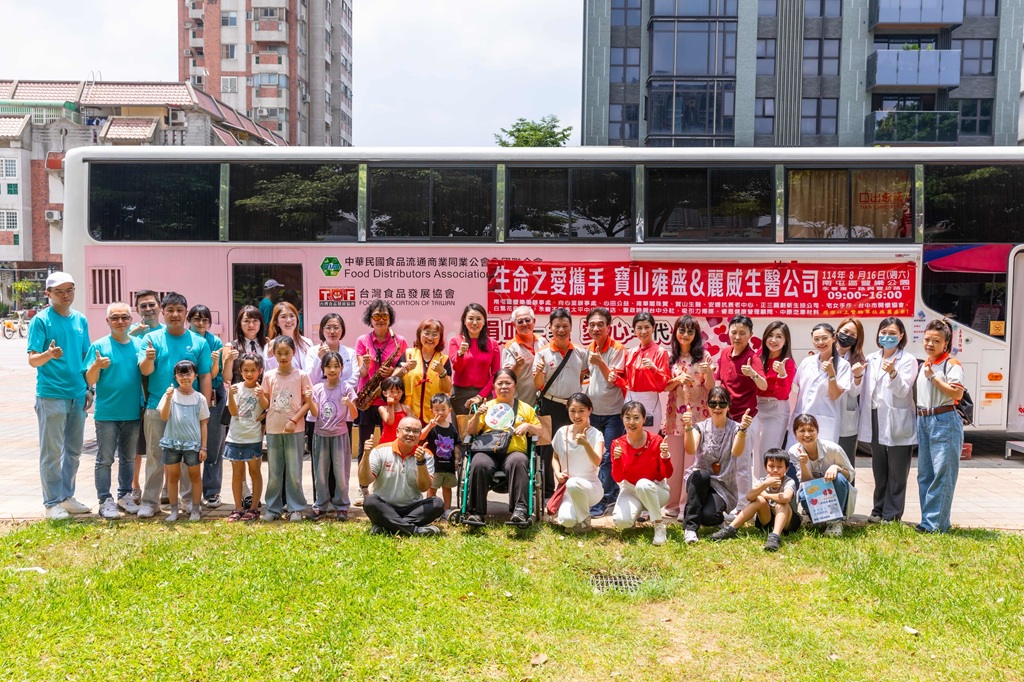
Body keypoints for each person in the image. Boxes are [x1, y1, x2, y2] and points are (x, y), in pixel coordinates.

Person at [137, 292, 212, 519]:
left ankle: (189, 500)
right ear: (163, 312)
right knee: (155, 455)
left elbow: (205, 376)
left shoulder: (199, 342)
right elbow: (144, 371)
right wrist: (149, 358)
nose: (175, 314)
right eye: (170, 310)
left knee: (188, 455)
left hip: (190, 408)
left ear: (186, 313)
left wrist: (204, 407)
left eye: (180, 310)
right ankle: (150, 502)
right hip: (157, 406)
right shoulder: (151, 339)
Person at [28, 272, 92, 520]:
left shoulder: (80, 320)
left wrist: (89, 388)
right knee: (52, 452)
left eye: (69, 290)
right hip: (51, 395)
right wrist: (49, 354)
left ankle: (66, 497)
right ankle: (52, 502)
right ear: (48, 294)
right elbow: (33, 359)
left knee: (74, 451)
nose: (65, 295)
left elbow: (86, 357)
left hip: (78, 394)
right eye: (59, 291)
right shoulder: (41, 321)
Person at [84, 302, 144, 519]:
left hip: (133, 412)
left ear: (131, 320)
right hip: (107, 414)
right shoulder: (99, 346)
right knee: (105, 459)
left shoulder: (139, 345)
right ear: (107, 321)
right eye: (115, 318)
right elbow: (90, 379)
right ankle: (104, 500)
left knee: (128, 458)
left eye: (124, 317)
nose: (120, 321)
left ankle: (125, 495)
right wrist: (96, 366)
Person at [465, 369, 544, 525]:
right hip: (488, 451)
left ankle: (520, 510)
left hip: (514, 452)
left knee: (519, 461)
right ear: (494, 386)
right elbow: (471, 432)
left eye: (508, 383)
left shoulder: (525, 408)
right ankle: (475, 512)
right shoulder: (487, 406)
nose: (504, 387)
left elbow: (540, 431)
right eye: (500, 383)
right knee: (478, 462)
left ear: (515, 385)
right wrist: (477, 415)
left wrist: (528, 426)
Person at [859, 317, 917, 523]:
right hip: (875, 416)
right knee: (879, 467)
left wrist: (893, 372)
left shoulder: (908, 360)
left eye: (892, 333)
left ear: (901, 336)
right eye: (884, 333)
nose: (887, 337)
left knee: (897, 470)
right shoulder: (871, 358)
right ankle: (878, 509)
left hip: (897, 418)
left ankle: (892, 514)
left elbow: (903, 391)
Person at [681, 387, 753, 544]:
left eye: (722, 404)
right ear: (707, 406)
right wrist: (688, 427)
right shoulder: (700, 427)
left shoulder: (735, 428)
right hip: (699, 481)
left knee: (709, 517)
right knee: (701, 475)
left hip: (723, 485)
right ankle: (690, 528)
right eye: (713, 403)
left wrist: (743, 430)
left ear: (729, 406)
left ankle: (715, 516)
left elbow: (736, 452)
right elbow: (691, 449)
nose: (717, 408)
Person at [354, 300, 408, 504]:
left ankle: (388, 486)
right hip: (367, 398)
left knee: (390, 443)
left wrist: (392, 371)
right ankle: (363, 487)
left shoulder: (399, 341)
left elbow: (403, 370)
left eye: (385, 316)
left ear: (390, 319)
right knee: (365, 444)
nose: (381, 320)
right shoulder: (362, 340)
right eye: (376, 316)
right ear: (370, 318)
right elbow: (362, 373)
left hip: (389, 399)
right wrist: (367, 365)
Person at [914, 319, 965, 534]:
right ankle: (930, 521)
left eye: (936, 341)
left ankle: (935, 524)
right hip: (924, 419)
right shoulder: (926, 364)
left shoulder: (951, 364)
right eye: (927, 339)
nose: (930, 344)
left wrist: (933, 378)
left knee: (942, 474)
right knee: (925, 474)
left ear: (946, 344)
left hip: (944, 419)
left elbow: (957, 392)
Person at [714, 315, 767, 514]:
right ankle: (729, 501)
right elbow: (720, 381)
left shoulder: (753, 358)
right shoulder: (724, 353)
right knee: (726, 463)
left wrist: (752, 374)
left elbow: (763, 385)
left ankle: (744, 506)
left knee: (742, 464)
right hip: (726, 418)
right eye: (734, 332)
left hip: (746, 419)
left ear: (750, 335)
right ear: (728, 332)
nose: (737, 336)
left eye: (742, 333)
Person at [662, 315, 714, 519]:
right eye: (681, 330)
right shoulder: (669, 357)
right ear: (675, 332)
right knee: (674, 463)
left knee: (692, 464)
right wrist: (678, 379)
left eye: (690, 331)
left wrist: (709, 373)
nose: (685, 334)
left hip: (697, 416)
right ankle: (672, 504)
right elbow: (664, 386)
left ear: (696, 335)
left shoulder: (704, 357)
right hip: (675, 415)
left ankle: (686, 507)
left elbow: (710, 387)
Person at [533, 308, 587, 499]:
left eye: (565, 326)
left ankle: (571, 489)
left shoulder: (580, 352)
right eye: (557, 326)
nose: (561, 330)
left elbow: (583, 376)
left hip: (573, 408)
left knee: (573, 447)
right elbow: (538, 384)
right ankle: (548, 491)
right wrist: (540, 372)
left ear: (571, 327)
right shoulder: (542, 354)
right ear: (550, 327)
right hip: (550, 405)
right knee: (547, 449)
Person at [359, 416, 445, 536]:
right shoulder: (380, 451)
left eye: (416, 431)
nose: (411, 434)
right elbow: (364, 480)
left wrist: (421, 462)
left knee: (437, 503)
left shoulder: (426, 455)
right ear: (397, 432)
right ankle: (414, 530)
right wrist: (366, 454)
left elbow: (424, 487)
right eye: (407, 429)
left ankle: (388, 526)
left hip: (412, 509)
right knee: (370, 501)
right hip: (385, 507)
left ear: (420, 435)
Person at [261, 335, 315, 522]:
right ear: (274, 354)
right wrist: (259, 395)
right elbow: (266, 403)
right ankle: (273, 508)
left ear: (294, 352)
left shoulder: (301, 375)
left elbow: (308, 403)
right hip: (273, 429)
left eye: (287, 353)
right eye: (279, 353)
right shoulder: (268, 376)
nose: (283, 357)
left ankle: (296, 508)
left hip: (295, 430)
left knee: (294, 472)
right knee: (274, 472)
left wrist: (294, 420)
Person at [710, 448, 801, 552]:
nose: (775, 470)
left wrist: (767, 495)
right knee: (759, 500)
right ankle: (731, 528)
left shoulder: (789, 481)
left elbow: (786, 497)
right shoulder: (763, 481)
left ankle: (775, 536)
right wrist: (765, 485)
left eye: (780, 467)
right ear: (765, 467)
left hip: (787, 523)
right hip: (767, 520)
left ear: (787, 469)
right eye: (771, 466)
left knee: (781, 504)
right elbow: (749, 497)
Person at [220, 304, 266, 509]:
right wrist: (228, 362)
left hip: (261, 402)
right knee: (239, 448)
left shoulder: (268, 344)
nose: (251, 325)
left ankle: (255, 497)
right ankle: (244, 493)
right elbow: (226, 378)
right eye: (246, 320)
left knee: (256, 449)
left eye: (255, 320)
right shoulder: (230, 346)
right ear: (239, 323)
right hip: (238, 403)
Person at [583, 307, 626, 518]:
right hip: (594, 413)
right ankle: (611, 492)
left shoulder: (618, 349)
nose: (596, 328)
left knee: (608, 456)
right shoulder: (589, 348)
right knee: (597, 456)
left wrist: (600, 363)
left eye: (600, 324)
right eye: (592, 324)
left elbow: (614, 380)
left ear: (609, 327)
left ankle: (603, 499)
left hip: (614, 413)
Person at [610, 401, 673, 546]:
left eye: (636, 417)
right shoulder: (617, 444)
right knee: (621, 522)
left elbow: (667, 474)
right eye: (627, 417)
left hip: (656, 490)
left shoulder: (656, 440)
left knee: (643, 484)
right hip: (631, 490)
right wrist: (617, 460)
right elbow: (618, 477)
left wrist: (665, 457)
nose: (631, 422)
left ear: (644, 419)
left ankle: (658, 525)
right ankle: (633, 515)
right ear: (622, 418)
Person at [308, 351, 358, 521]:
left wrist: (349, 403)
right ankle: (320, 505)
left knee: (341, 473)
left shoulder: (347, 388)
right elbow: (314, 414)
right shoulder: (317, 389)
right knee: (320, 473)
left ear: (342, 368)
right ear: (323, 368)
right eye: (328, 366)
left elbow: (354, 415)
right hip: (320, 435)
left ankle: (342, 506)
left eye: (336, 366)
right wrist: (309, 401)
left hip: (340, 436)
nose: (332, 370)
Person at [158, 360, 209, 522]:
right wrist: (168, 398)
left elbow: (204, 424)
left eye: (188, 373)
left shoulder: (200, 398)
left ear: (195, 376)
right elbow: (163, 416)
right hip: (172, 442)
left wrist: (204, 447)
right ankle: (174, 510)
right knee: (173, 477)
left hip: (192, 444)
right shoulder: (170, 395)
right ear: (175, 377)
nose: (185, 377)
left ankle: (195, 509)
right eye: (181, 374)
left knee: (195, 476)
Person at [187, 305, 227, 509]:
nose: (200, 323)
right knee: (186, 443)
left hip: (214, 395)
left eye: (205, 320)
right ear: (189, 321)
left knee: (214, 444)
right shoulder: (185, 339)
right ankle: (188, 493)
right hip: (187, 394)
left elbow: (215, 374)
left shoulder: (215, 342)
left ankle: (212, 492)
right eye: (196, 319)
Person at [790, 413, 856, 537]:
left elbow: (850, 475)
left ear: (817, 431)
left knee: (839, 478)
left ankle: (836, 521)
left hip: (837, 493)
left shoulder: (833, 449)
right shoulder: (794, 451)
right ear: (795, 433)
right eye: (802, 431)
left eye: (811, 430)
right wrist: (803, 464)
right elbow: (806, 483)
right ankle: (819, 519)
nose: (807, 435)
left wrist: (836, 468)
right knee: (803, 493)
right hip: (815, 495)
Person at [789, 323, 852, 448]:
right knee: (796, 455)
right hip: (801, 417)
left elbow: (835, 395)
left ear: (834, 338)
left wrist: (831, 374)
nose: (820, 342)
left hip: (824, 422)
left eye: (824, 338)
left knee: (822, 455)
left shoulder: (843, 365)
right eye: (816, 339)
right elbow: (796, 388)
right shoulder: (807, 362)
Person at [128, 289, 163, 504]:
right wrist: (133, 334)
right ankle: (134, 486)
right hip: (133, 397)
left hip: (156, 399)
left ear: (159, 307)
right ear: (137, 309)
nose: (148, 309)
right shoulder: (129, 331)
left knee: (162, 446)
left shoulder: (166, 332)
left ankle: (166, 487)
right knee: (136, 446)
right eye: (143, 306)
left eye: (152, 304)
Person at [550, 393, 605, 532]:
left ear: (590, 410)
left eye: (581, 411)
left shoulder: (596, 434)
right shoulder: (562, 432)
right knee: (566, 521)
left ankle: (585, 521)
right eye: (572, 411)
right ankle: (578, 517)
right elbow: (555, 457)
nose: (577, 415)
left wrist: (586, 445)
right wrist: (557, 473)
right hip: (568, 489)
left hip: (590, 488)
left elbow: (597, 462)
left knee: (573, 483)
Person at [224, 353, 267, 522]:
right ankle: (238, 508)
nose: (249, 374)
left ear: (260, 371)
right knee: (237, 474)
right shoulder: (236, 388)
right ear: (240, 371)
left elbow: (267, 407)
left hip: (253, 438)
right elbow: (233, 412)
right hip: (235, 438)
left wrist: (261, 395)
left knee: (255, 472)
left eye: (253, 370)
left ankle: (254, 508)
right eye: (246, 370)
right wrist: (230, 395)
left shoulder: (261, 389)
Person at [753, 321, 796, 478]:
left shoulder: (787, 362)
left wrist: (782, 374)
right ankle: (758, 485)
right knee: (755, 452)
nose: (773, 340)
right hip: (756, 407)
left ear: (785, 341)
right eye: (770, 335)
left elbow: (782, 394)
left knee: (768, 452)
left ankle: (770, 486)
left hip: (776, 409)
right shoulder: (758, 356)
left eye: (779, 336)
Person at [622, 311, 670, 434]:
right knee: (631, 437)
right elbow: (625, 380)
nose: (643, 331)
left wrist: (654, 369)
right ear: (634, 330)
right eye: (639, 328)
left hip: (650, 400)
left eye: (647, 327)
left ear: (653, 328)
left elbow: (663, 384)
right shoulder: (631, 352)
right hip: (630, 398)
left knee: (650, 438)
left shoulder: (660, 352)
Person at [448, 303, 501, 415]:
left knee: (484, 426)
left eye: (478, 319)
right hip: (460, 395)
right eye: (471, 318)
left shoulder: (493, 344)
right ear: (464, 320)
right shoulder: (455, 341)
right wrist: (460, 354)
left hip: (484, 395)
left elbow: (495, 374)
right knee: (461, 426)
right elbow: (457, 368)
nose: (475, 323)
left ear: (484, 321)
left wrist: (480, 396)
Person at [400, 318, 453, 423]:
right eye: (427, 333)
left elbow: (447, 389)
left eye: (435, 334)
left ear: (440, 338)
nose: (430, 338)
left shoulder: (444, 359)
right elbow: (393, 379)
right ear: (419, 334)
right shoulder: (408, 354)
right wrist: (404, 369)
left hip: (434, 417)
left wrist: (442, 372)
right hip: (409, 414)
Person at [422, 393, 459, 511]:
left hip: (448, 466)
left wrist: (457, 460)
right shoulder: (431, 426)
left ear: (449, 410)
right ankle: (430, 510)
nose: (440, 412)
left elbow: (456, 445)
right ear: (431, 410)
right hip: (434, 466)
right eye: (437, 409)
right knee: (432, 488)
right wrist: (429, 426)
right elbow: (421, 437)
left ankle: (447, 510)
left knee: (447, 489)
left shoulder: (452, 428)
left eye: (443, 409)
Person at [836, 317, 867, 461]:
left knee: (845, 462)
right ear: (837, 332)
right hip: (824, 415)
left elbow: (854, 392)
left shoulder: (859, 361)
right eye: (845, 331)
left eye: (853, 335)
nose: (847, 336)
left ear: (857, 340)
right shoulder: (824, 355)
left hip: (846, 420)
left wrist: (857, 376)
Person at [501, 306, 543, 404]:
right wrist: (517, 366)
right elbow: (506, 378)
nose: (524, 324)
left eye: (527, 320)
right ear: (514, 324)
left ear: (534, 321)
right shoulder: (511, 347)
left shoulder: (542, 341)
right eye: (520, 321)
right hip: (519, 402)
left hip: (541, 401)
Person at [265, 302, 314, 373]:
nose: (289, 320)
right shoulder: (271, 345)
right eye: (283, 317)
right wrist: (271, 356)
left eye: (292, 316)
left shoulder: (307, 342)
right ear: (277, 322)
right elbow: (270, 374)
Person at [378, 376, 408, 444]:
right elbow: (390, 422)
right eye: (391, 391)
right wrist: (390, 405)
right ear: (384, 393)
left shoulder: (406, 408)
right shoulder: (382, 408)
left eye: (398, 392)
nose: (395, 395)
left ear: (402, 393)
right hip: (387, 441)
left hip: (402, 442)